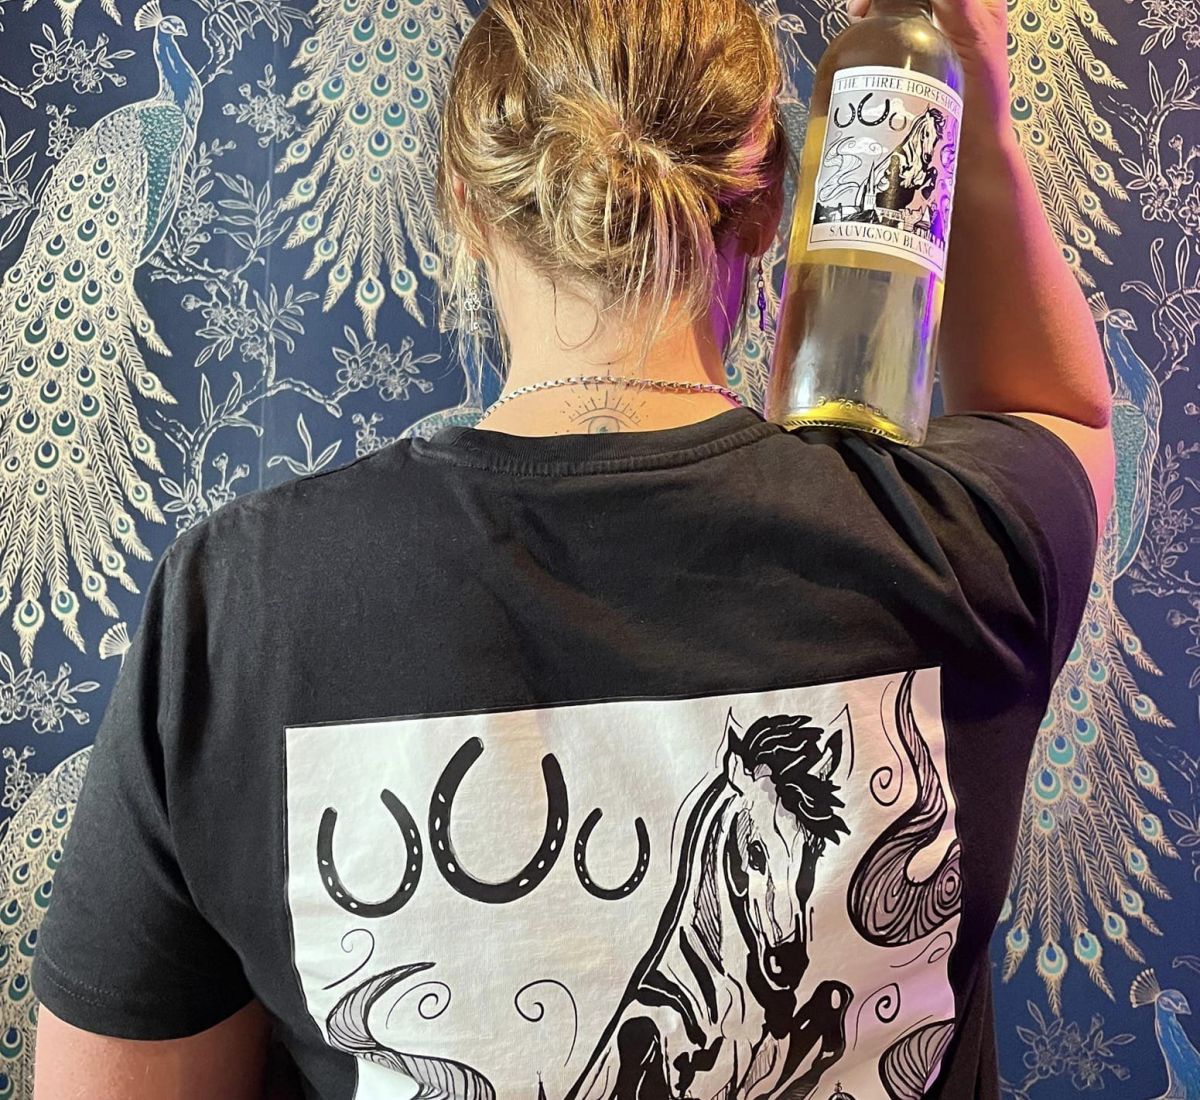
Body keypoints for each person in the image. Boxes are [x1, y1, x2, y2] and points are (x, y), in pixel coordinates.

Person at [30, 0, 1114, 1096]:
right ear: (767, 208)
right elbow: (1058, 411)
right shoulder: (953, 543)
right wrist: (968, 93)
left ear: (466, 206)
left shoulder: (237, 608)